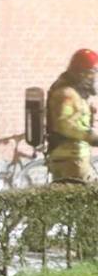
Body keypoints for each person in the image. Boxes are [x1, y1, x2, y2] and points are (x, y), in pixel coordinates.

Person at [45, 49, 98, 184]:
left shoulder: (75, 93)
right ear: (81, 72)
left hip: (73, 157)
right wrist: (91, 136)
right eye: (92, 72)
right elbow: (64, 124)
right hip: (70, 159)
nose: (93, 77)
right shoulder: (66, 93)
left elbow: (75, 118)